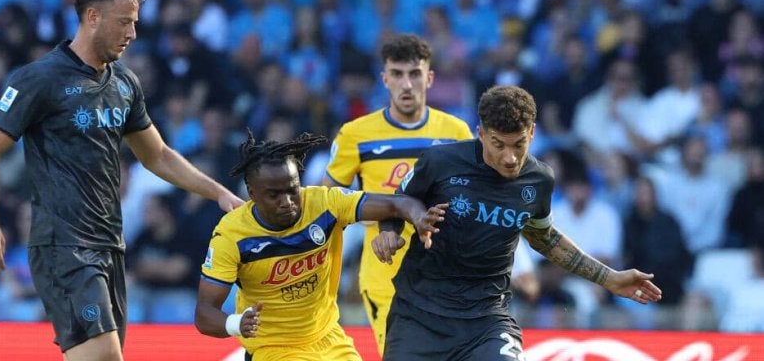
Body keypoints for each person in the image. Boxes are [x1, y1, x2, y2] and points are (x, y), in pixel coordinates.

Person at [0, 0, 243, 361]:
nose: (133, 33)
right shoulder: (39, 79)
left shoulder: (124, 83)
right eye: (124, 22)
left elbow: (157, 155)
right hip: (63, 244)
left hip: (111, 245)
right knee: (103, 355)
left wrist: (218, 193)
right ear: (93, 16)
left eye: (135, 22)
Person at [373, 86, 663, 360]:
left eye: (519, 144)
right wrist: (388, 231)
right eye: (498, 144)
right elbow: (396, 203)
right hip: (419, 316)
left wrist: (609, 278)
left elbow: (545, 238)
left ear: (532, 132)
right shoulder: (440, 162)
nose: (510, 157)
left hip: (486, 322)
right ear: (481, 134)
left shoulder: (538, 180)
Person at [195, 131, 447, 361]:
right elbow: (204, 313)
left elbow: (395, 204)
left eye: (292, 190)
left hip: (329, 338)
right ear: (252, 193)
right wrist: (236, 324)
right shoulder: (232, 234)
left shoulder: (324, 203)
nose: (287, 201)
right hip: (273, 349)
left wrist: (419, 218)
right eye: (274, 195)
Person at [322, 33, 472, 354]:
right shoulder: (355, 134)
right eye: (397, 74)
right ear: (385, 79)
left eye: (415, 74)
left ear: (429, 78)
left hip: (443, 275)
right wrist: (368, 217)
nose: (406, 84)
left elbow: (472, 199)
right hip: (384, 274)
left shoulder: (456, 133)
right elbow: (326, 200)